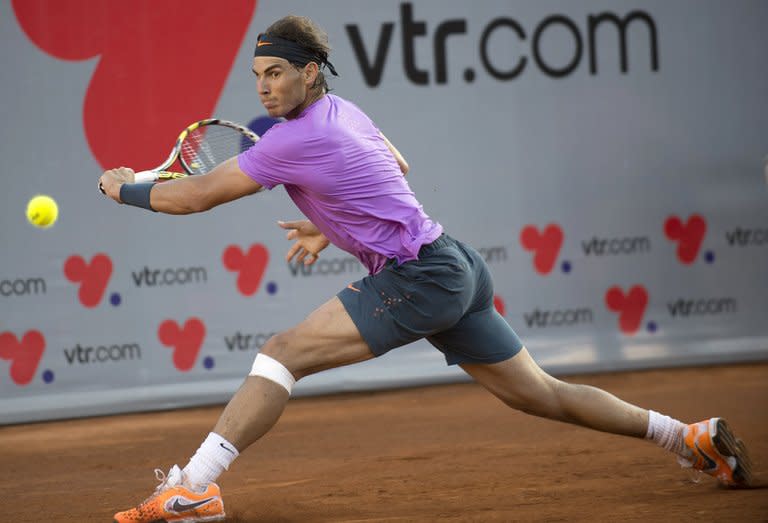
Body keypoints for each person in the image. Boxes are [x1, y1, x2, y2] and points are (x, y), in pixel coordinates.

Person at [99, 15, 753, 523]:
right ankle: (688, 435)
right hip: (455, 262)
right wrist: (329, 221)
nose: (265, 86)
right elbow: (395, 166)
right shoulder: (342, 112)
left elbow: (194, 195)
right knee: (541, 394)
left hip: (421, 279)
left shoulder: (292, 140)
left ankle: (194, 487)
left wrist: (123, 188)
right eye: (257, 76)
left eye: (275, 73)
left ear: (309, 73)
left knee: (281, 353)